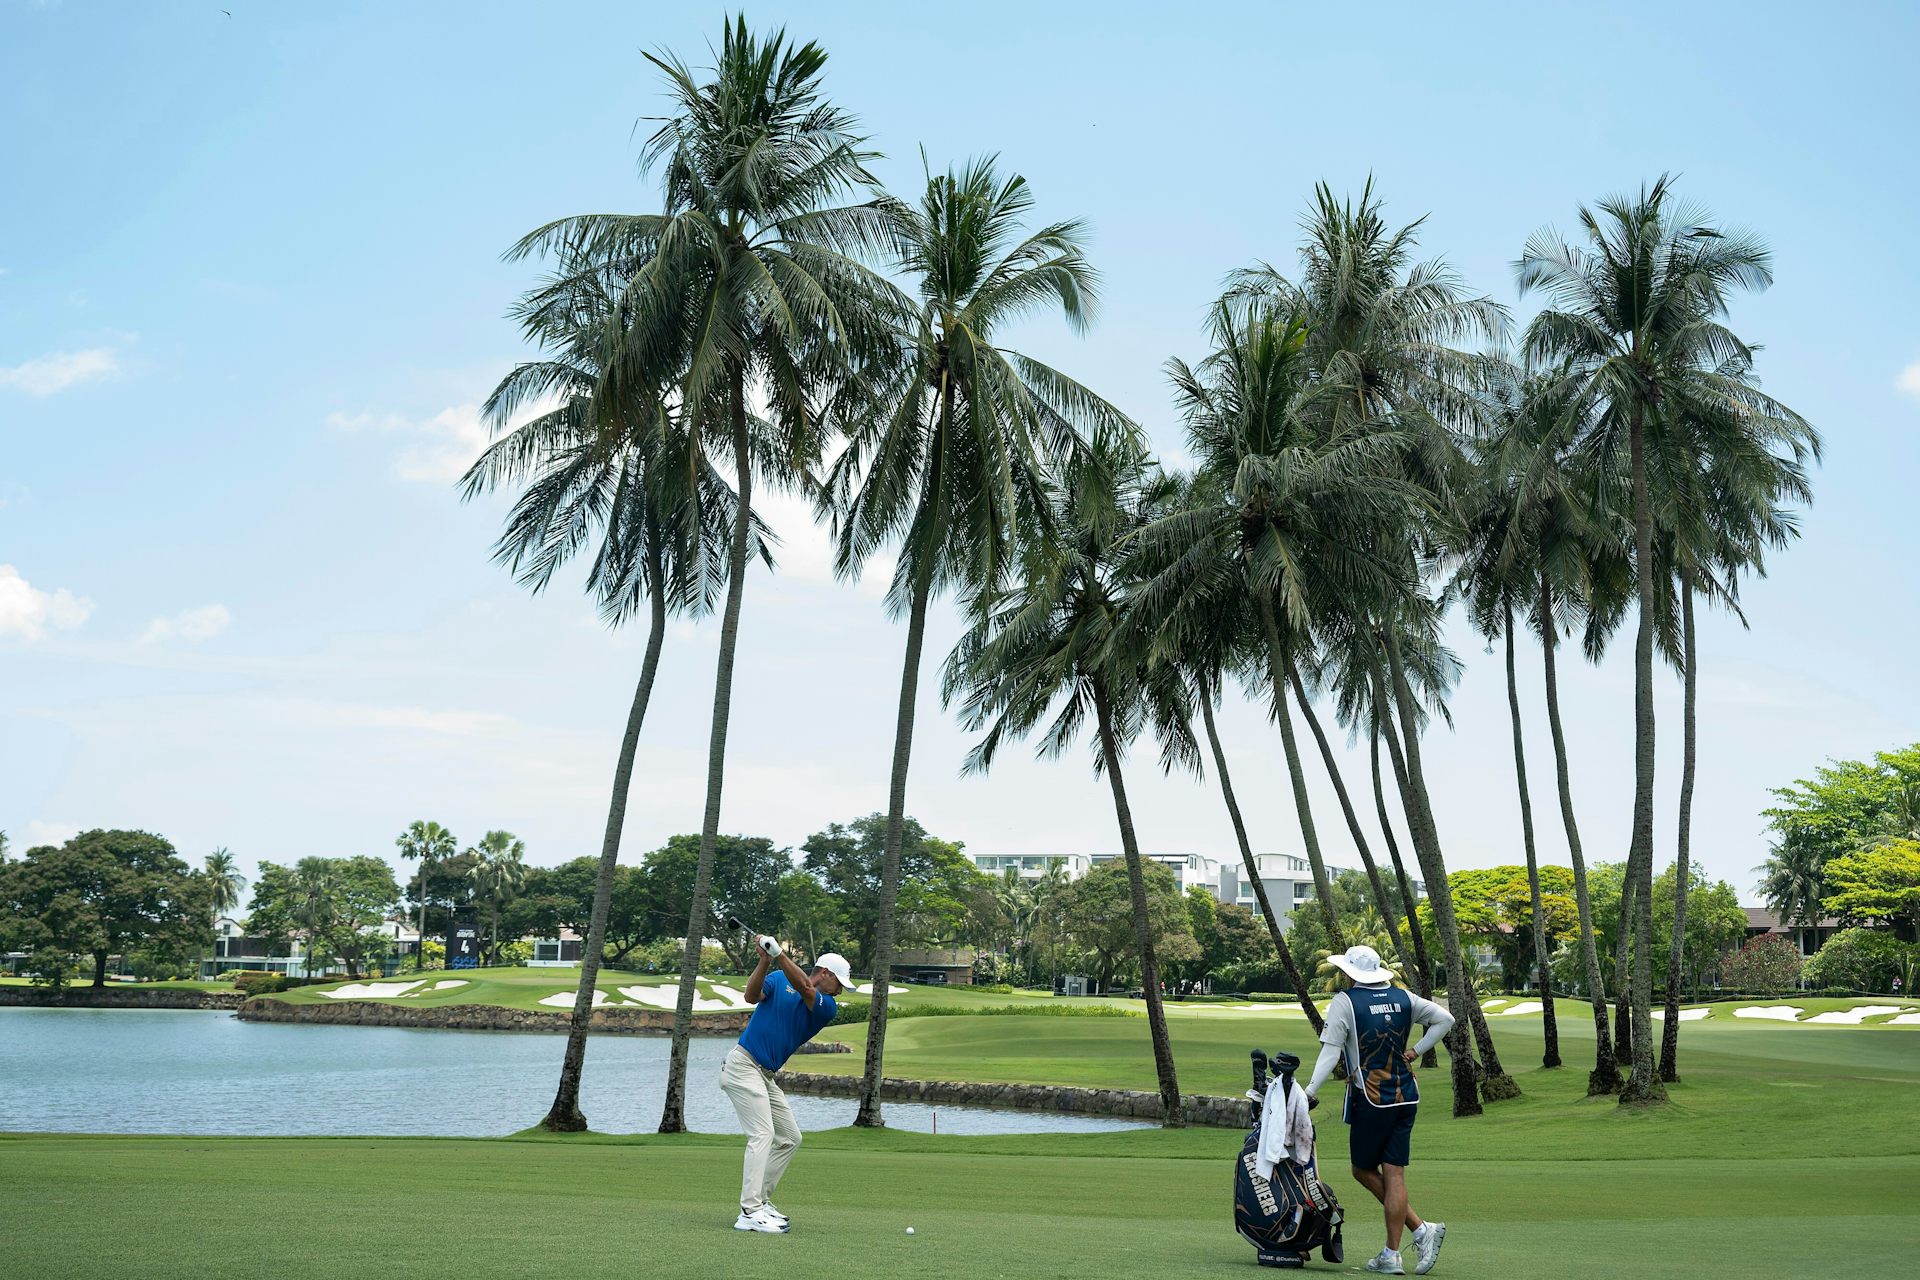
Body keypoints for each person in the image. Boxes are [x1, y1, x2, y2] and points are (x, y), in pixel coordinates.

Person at [1302, 944, 1455, 1275]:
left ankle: (1416, 1233)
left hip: (1372, 1100)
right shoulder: (1403, 998)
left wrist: (1309, 1091)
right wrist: (1415, 1051)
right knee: (1395, 1172)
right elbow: (1446, 1019)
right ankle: (1394, 1251)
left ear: (1350, 972)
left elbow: (1330, 1053)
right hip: (1406, 1098)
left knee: (1362, 1169)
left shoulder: (1346, 1002)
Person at [717, 935, 853, 1234]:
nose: (841, 990)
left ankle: (761, 1201)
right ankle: (750, 1211)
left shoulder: (826, 1005)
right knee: (763, 1133)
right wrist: (765, 960)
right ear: (826, 974)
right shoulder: (778, 978)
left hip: (764, 1074)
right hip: (743, 1065)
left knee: (790, 1137)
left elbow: (805, 986)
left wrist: (778, 954)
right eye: (839, 982)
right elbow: (751, 997)